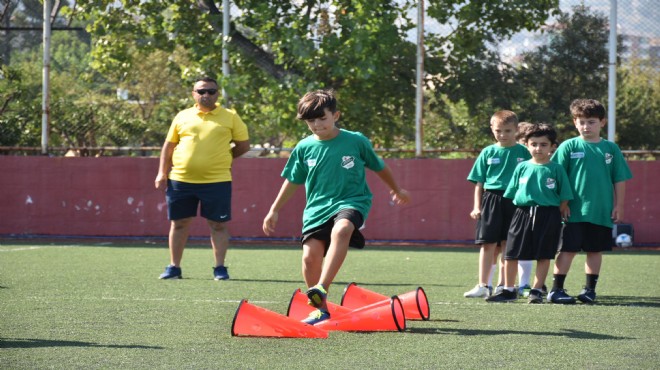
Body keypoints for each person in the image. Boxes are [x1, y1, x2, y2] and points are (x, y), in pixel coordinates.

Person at [262, 89, 410, 325]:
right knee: (310, 258)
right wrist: (274, 209)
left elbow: (379, 166)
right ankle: (320, 309)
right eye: (311, 120)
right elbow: (293, 180)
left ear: (336, 115)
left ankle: (322, 286)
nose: (317, 124)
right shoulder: (303, 147)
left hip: (353, 200)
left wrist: (396, 188)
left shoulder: (356, 141)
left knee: (341, 230)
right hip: (316, 209)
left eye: (322, 118)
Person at [155, 77, 250, 280]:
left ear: (217, 94)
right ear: (193, 94)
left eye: (211, 91)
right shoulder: (182, 116)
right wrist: (162, 173)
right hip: (180, 180)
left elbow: (243, 145)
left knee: (218, 224)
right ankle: (174, 267)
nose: (206, 95)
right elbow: (169, 146)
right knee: (179, 223)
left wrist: (224, 157)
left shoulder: (230, 116)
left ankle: (220, 268)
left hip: (217, 181)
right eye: (201, 91)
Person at [548, 99, 632, 304]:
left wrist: (619, 205)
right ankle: (556, 289)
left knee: (595, 250)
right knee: (567, 249)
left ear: (602, 122)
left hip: (601, 210)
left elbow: (619, 178)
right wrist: (563, 203)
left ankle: (589, 290)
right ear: (575, 122)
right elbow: (557, 176)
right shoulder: (568, 146)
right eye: (582, 121)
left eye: (591, 122)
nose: (586, 126)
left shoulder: (611, 149)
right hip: (573, 211)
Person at [486, 123, 573, 303]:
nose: (538, 148)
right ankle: (509, 290)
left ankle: (536, 290)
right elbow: (511, 193)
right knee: (511, 252)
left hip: (548, 214)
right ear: (527, 144)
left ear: (552, 147)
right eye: (533, 144)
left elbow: (565, 195)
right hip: (522, 213)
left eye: (543, 144)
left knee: (544, 254)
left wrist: (559, 210)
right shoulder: (522, 167)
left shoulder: (556, 169)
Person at [464, 110, 531, 298]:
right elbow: (479, 183)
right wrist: (477, 206)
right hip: (491, 200)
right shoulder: (487, 152)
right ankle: (483, 285)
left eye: (508, 131)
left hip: (516, 201)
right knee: (488, 244)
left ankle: (504, 285)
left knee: (508, 244)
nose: (503, 135)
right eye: (498, 130)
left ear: (516, 130)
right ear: (492, 129)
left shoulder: (524, 152)